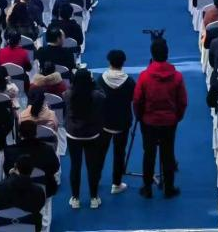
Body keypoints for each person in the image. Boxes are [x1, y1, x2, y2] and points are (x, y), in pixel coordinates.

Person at [133, 37, 187, 199]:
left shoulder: (144, 76)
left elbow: (137, 100)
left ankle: (147, 187)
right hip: (169, 121)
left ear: (152, 54)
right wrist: (177, 116)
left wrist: (139, 116)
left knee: (149, 153)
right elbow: (182, 101)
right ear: (167, 54)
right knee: (168, 153)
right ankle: (169, 188)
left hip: (149, 121)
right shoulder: (177, 77)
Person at [63, 68, 105, 209]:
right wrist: (93, 83)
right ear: (90, 80)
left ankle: (75, 198)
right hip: (92, 135)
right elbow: (103, 94)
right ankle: (94, 198)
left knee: (75, 166)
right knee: (92, 167)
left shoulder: (68, 94)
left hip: (73, 135)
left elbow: (68, 91)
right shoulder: (97, 96)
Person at [97, 48, 135, 195]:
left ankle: (96, 179)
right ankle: (116, 183)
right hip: (122, 122)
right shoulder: (130, 82)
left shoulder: (101, 80)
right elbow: (133, 99)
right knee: (119, 153)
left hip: (104, 122)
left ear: (109, 62)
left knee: (100, 152)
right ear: (123, 63)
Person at [0, 155, 46, 230]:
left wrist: (10, 177)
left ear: (15, 166)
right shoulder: (38, 191)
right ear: (32, 170)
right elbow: (39, 207)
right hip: (30, 224)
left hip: (1, 224)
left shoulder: (0, 187)